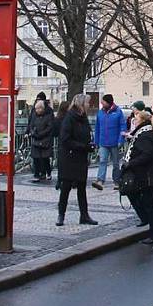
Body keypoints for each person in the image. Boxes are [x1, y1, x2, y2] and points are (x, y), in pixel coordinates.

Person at [125, 109, 153, 246]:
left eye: (136, 119)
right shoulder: (149, 133)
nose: (134, 121)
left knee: (150, 205)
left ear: (142, 121)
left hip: (150, 176)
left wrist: (130, 163)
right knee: (150, 204)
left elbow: (146, 155)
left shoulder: (144, 135)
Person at [56, 93, 97, 227]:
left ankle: (84, 215)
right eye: (87, 103)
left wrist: (89, 145)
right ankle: (61, 214)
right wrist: (83, 146)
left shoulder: (83, 118)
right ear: (80, 104)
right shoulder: (69, 118)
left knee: (81, 187)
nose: (89, 105)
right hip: (69, 157)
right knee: (66, 187)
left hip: (80, 157)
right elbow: (65, 139)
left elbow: (86, 134)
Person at [92, 93, 125, 191]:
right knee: (102, 161)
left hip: (115, 142)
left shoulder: (118, 112)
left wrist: (120, 140)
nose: (102, 103)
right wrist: (96, 141)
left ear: (108, 102)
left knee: (115, 163)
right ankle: (100, 180)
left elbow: (122, 127)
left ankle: (117, 181)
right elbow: (97, 127)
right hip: (103, 142)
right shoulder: (100, 112)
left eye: (103, 102)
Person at [29, 99, 54, 183]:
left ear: (43, 108)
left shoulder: (48, 116)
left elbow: (49, 128)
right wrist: (33, 132)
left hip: (45, 140)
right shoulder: (34, 116)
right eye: (36, 109)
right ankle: (37, 174)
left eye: (39, 108)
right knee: (36, 158)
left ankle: (47, 172)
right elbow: (31, 125)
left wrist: (41, 134)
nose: (37, 110)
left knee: (45, 158)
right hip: (36, 139)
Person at [52, 101, 69, 190]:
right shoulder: (68, 119)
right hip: (67, 143)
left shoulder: (57, 119)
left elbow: (54, 132)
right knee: (68, 163)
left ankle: (60, 180)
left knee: (61, 163)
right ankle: (67, 180)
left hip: (60, 143)